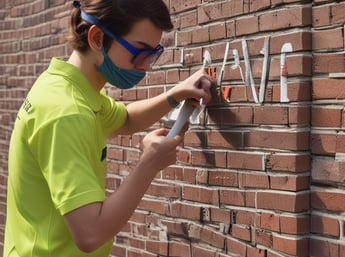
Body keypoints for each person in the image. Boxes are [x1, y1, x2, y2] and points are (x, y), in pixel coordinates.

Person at [3, 0, 215, 256]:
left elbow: (125, 119)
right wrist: (149, 164)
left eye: (152, 54)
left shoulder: (68, 88)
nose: (146, 65)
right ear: (97, 37)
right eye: (139, 51)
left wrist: (175, 94)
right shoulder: (66, 112)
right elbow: (90, 234)